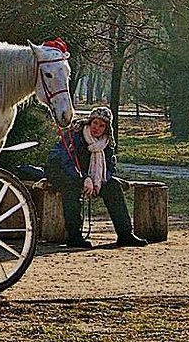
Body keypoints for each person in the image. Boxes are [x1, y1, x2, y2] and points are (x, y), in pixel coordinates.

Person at [46, 106, 148, 248]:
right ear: (89, 122)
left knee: (113, 186)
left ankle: (125, 234)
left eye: (101, 125)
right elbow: (67, 161)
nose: (97, 128)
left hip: (90, 177)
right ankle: (74, 236)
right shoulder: (75, 134)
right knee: (71, 188)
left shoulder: (106, 143)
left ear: (106, 129)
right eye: (94, 123)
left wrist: (99, 180)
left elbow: (110, 166)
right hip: (61, 171)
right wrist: (84, 178)